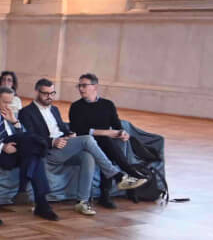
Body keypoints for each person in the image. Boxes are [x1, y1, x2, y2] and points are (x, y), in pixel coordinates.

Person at [18, 79, 145, 214]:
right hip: (48, 150)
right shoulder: (26, 112)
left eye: (52, 93)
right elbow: (30, 136)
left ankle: (82, 201)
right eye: (45, 93)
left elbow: (62, 129)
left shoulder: (54, 109)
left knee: (87, 157)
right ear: (37, 92)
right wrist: (52, 142)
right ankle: (117, 175)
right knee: (87, 139)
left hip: (64, 146)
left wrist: (69, 134)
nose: (49, 97)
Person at [0, 84, 58, 222]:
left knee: (33, 149)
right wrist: (2, 146)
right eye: (5, 101)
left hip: (19, 150)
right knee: (35, 147)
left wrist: (14, 122)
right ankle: (33, 197)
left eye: (10, 102)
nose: (8, 105)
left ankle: (36, 200)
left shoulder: (11, 113)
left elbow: (22, 134)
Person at [69, 74, 148, 179]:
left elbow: (116, 124)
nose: (80, 89)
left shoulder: (108, 104)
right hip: (87, 140)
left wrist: (122, 133)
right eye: (79, 86)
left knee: (111, 142)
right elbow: (77, 130)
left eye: (84, 85)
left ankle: (109, 184)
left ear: (95, 87)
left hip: (105, 141)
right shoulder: (76, 106)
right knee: (106, 140)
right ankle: (129, 170)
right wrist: (106, 132)